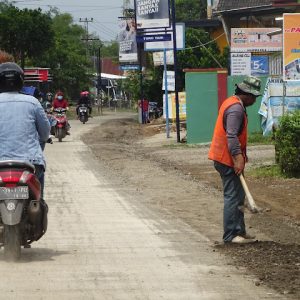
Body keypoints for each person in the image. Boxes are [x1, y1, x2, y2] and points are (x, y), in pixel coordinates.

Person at [208, 76, 262, 244]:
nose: (254, 100)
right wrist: (238, 159)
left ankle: (239, 231)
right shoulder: (236, 109)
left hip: (226, 157)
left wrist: (240, 157)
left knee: (238, 195)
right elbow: (231, 136)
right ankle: (231, 235)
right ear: (247, 94)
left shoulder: (232, 102)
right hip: (226, 158)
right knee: (232, 196)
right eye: (254, 97)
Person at [0, 62, 50, 199]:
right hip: (30, 163)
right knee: (38, 200)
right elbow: (45, 134)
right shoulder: (32, 102)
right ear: (20, 81)